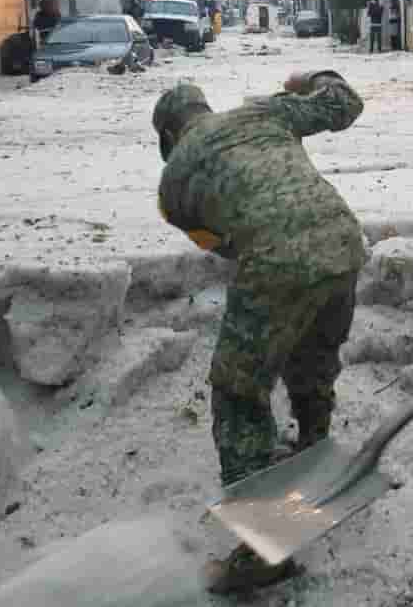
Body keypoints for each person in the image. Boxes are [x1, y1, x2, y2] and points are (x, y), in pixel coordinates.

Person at [152, 73, 368, 593]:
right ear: (204, 107)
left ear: (166, 138)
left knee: (239, 390)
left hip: (275, 258)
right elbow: (346, 103)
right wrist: (311, 80)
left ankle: (262, 550)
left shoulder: (172, 185)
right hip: (343, 239)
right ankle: (316, 447)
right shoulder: (262, 112)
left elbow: (221, 245)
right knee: (313, 355)